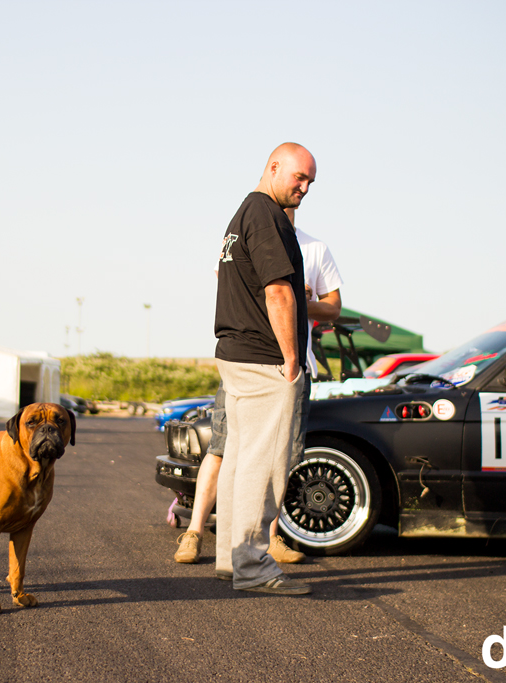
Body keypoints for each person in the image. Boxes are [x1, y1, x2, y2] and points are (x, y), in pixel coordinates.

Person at [174, 205, 343, 565]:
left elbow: (333, 308)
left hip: (291, 365)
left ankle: (266, 540)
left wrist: (301, 302)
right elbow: (236, 287)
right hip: (249, 360)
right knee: (221, 447)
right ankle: (195, 532)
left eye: (307, 184)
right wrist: (280, 295)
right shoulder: (249, 234)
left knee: (279, 456)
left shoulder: (314, 249)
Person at [210, 142, 315, 595]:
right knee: (265, 464)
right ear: (274, 167)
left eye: (310, 181)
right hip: (264, 359)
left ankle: (230, 559)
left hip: (235, 352)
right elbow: (278, 292)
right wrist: (291, 359)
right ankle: (252, 566)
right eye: (299, 177)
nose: (305, 188)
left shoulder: (241, 216)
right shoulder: (267, 214)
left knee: (237, 458)